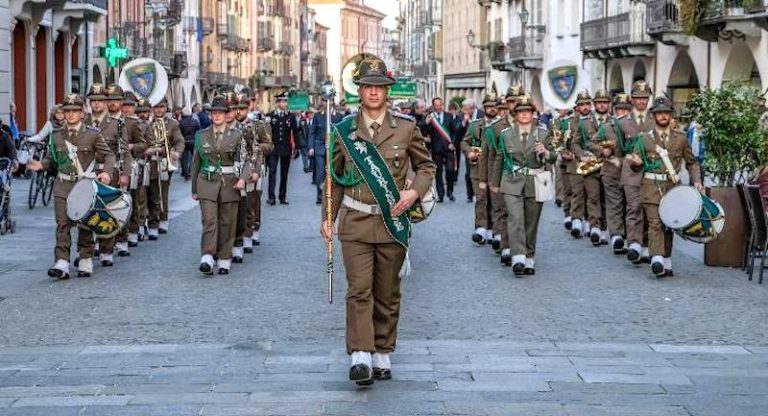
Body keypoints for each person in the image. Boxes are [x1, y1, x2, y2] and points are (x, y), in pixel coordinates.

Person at [320, 55, 436, 386]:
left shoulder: (407, 127)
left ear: (388, 92)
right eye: (368, 87)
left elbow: (427, 167)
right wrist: (327, 217)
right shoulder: (343, 130)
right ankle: (360, 354)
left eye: (380, 87)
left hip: (391, 221)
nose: (374, 93)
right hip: (354, 221)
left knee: (387, 290)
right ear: (360, 91)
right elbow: (333, 177)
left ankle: (382, 350)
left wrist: (414, 194)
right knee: (359, 289)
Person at [27, 94, 115, 279]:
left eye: (75, 111)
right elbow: (52, 160)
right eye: (67, 111)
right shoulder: (56, 135)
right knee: (62, 224)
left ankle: (85, 258)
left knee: (85, 224)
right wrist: (41, 165)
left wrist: (106, 172)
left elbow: (109, 156)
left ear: (82, 113)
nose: (71, 114)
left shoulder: (92, 134)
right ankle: (62, 262)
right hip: (63, 185)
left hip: (84, 185)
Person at [627, 97, 702, 277]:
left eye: (666, 113)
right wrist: (635, 163)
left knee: (670, 224)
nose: (663, 116)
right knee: (655, 223)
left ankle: (666, 260)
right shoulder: (644, 139)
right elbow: (636, 163)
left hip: (673, 189)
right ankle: (657, 259)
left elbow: (692, 162)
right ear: (653, 116)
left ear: (670, 115)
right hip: (651, 188)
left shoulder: (681, 139)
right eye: (659, 113)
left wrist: (697, 180)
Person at [491, 95, 556, 275]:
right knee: (515, 218)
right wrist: (495, 183)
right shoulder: (506, 135)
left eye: (528, 111)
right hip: (512, 181)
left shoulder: (542, 133)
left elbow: (554, 156)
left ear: (533, 114)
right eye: (521, 112)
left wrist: (546, 152)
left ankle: (529, 256)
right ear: (515, 115)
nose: (525, 115)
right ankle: (518, 256)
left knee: (531, 221)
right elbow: (499, 159)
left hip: (535, 182)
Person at [191, 95, 249, 275]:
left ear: (226, 115)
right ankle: (207, 256)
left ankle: (224, 258)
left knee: (227, 223)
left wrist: (242, 179)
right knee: (209, 221)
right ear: (210, 115)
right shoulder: (201, 135)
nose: (217, 116)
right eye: (214, 113)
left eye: (220, 113)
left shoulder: (237, 135)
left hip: (230, 183)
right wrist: (194, 188)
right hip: (206, 183)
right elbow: (196, 163)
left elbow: (245, 160)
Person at [99, 84, 144, 261]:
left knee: (120, 204)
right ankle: (101, 242)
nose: (113, 103)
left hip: (120, 167)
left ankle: (122, 239)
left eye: (116, 100)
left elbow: (140, 144)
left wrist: (132, 149)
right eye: (109, 100)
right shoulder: (100, 122)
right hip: (100, 168)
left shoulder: (131, 122)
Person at [618, 80, 655, 264]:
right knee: (634, 206)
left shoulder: (655, 120)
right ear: (632, 99)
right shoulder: (623, 122)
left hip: (650, 171)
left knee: (649, 208)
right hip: (630, 172)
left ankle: (648, 244)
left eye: (645, 98)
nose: (642, 102)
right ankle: (634, 243)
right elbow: (611, 146)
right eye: (638, 98)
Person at [574, 89, 610, 246]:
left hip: (610, 166)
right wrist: (581, 155)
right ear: (594, 105)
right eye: (599, 102)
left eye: (605, 102)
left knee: (606, 198)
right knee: (593, 196)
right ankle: (594, 226)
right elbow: (575, 142)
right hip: (591, 165)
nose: (602, 105)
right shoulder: (585, 123)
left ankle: (604, 228)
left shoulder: (615, 121)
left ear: (609, 104)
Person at [460, 94, 497, 244]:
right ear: (484, 108)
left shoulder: (503, 125)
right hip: (478, 169)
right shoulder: (475, 125)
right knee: (481, 199)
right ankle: (481, 228)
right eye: (489, 106)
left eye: (494, 106)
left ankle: (495, 229)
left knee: (495, 200)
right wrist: (469, 152)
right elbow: (464, 142)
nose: (492, 109)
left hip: (496, 170)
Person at [145, 98, 184, 238]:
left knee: (161, 192)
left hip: (164, 162)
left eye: (161, 107)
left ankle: (159, 220)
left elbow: (179, 141)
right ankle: (150, 219)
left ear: (166, 107)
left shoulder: (172, 124)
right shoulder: (147, 123)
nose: (159, 110)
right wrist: (146, 149)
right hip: (149, 162)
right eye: (156, 107)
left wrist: (177, 153)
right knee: (147, 193)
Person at [266, 92, 301, 205]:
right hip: (273, 148)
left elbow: (295, 132)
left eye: (285, 101)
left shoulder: (290, 116)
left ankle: (282, 196)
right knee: (272, 172)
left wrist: (297, 148)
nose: (284, 104)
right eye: (282, 101)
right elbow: (266, 132)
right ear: (277, 103)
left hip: (286, 148)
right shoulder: (270, 116)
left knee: (284, 173)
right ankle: (271, 197)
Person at [424, 97, 455, 202]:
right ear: (433, 106)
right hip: (436, 149)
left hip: (448, 148)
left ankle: (450, 192)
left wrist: (453, 143)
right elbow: (424, 131)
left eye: (440, 105)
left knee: (450, 171)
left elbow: (454, 132)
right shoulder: (430, 117)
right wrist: (426, 123)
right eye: (436, 105)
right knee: (438, 173)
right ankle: (440, 195)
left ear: (442, 105)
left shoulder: (449, 116)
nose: (438, 107)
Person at [454, 98, 484, 203]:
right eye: (464, 109)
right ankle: (470, 195)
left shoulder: (482, 114)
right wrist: (464, 121)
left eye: (466, 109)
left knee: (482, 169)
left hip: (482, 145)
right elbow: (457, 131)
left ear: (472, 108)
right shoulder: (461, 116)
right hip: (469, 147)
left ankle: (480, 191)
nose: (464, 111)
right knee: (469, 171)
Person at [310, 97, 330, 205]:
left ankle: (331, 195)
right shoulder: (318, 116)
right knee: (321, 172)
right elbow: (312, 132)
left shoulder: (337, 116)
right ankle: (320, 195)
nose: (327, 103)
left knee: (332, 173)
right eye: (325, 100)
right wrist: (311, 147)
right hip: (320, 147)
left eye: (329, 100)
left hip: (333, 148)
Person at [179, 107, 201, 181]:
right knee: (194, 158)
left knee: (184, 159)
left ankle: (186, 174)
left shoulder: (181, 122)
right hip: (193, 141)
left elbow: (179, 133)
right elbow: (199, 131)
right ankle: (192, 171)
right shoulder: (195, 121)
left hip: (184, 141)